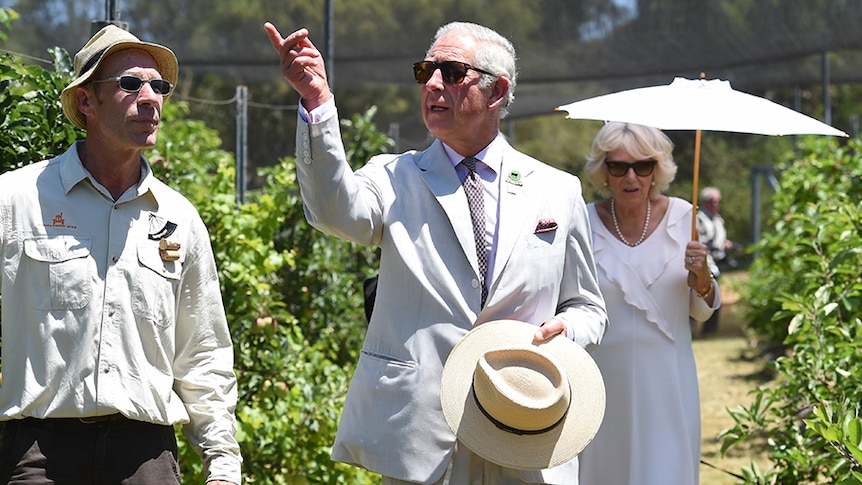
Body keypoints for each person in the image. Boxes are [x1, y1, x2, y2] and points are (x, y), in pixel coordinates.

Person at [264, 20, 607, 485]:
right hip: (419, 437)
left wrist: (566, 330)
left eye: (450, 71)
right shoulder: (392, 177)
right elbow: (331, 210)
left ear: (496, 91)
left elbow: (588, 307)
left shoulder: (558, 190)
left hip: (522, 424)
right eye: (426, 70)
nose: (431, 84)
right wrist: (317, 102)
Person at [0, 25, 241, 485]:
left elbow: (203, 351)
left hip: (145, 457)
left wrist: (223, 463)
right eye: (130, 83)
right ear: (87, 101)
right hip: (40, 454)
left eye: (160, 86)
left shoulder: (179, 217)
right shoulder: (16, 199)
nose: (150, 98)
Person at [577, 122, 720, 485]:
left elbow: (703, 306)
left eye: (642, 166)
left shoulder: (684, 218)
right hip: (601, 381)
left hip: (668, 378)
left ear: (656, 171)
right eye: (618, 166)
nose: (631, 176)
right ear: (603, 171)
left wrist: (702, 275)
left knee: (665, 472)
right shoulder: (582, 220)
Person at [697, 186, 734, 334]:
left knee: (715, 297)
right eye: (711, 202)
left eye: (717, 202)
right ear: (704, 202)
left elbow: (719, 240)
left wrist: (725, 244)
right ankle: (691, 330)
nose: (715, 205)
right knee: (695, 296)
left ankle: (710, 330)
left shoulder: (718, 220)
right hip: (702, 262)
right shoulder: (699, 219)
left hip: (717, 263)